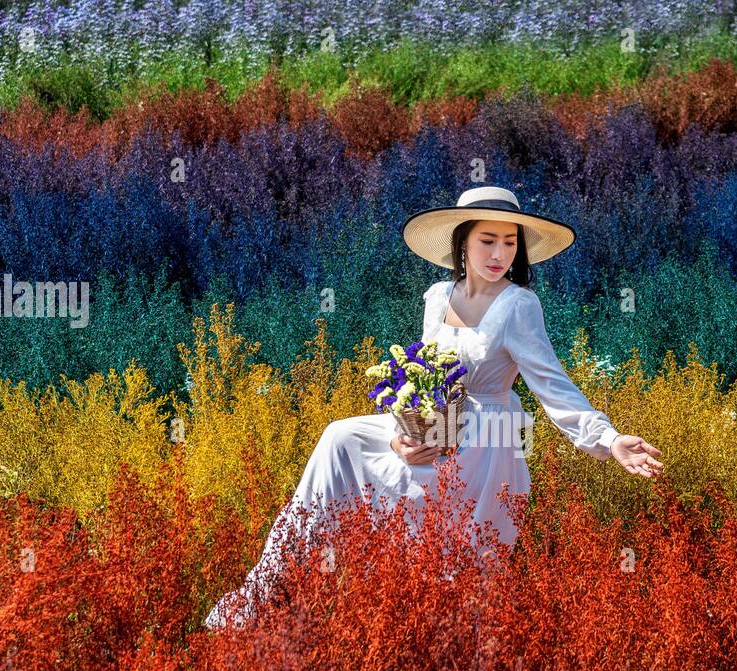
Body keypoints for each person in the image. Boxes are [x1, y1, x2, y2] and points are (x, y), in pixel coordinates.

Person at [203, 186, 663, 630]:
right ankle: (265, 589)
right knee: (338, 438)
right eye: (487, 240)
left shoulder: (519, 305)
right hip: (438, 425)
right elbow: (424, 375)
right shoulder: (438, 297)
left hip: (486, 441)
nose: (499, 253)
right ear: (462, 242)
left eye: (509, 242)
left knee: (450, 566)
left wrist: (608, 438)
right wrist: (403, 435)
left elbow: (552, 385)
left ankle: (430, 630)